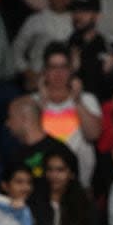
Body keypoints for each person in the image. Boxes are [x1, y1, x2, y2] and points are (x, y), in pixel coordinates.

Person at [33, 42, 102, 188]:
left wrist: (77, 101)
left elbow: (93, 134)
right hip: (43, 180)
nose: (58, 73)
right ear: (45, 71)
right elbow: (31, 141)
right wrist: (42, 105)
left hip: (79, 183)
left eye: (63, 67)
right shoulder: (33, 102)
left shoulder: (87, 99)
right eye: (53, 67)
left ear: (70, 70)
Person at [29, 148, 97, 225]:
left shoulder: (83, 203)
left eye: (60, 170)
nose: (54, 175)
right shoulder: (34, 201)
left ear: (71, 173)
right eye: (50, 170)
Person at [10, 0, 74, 91]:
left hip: (68, 85)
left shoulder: (77, 21)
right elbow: (16, 51)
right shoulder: (35, 20)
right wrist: (29, 73)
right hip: (38, 83)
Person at [5, 94, 79, 181]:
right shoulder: (14, 155)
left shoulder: (60, 152)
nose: (7, 123)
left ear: (24, 119)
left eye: (11, 117)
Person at [65, 0, 113, 101]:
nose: (78, 15)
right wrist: (72, 70)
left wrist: (109, 74)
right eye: (75, 11)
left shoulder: (110, 49)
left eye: (85, 11)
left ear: (97, 16)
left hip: (100, 110)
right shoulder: (63, 48)